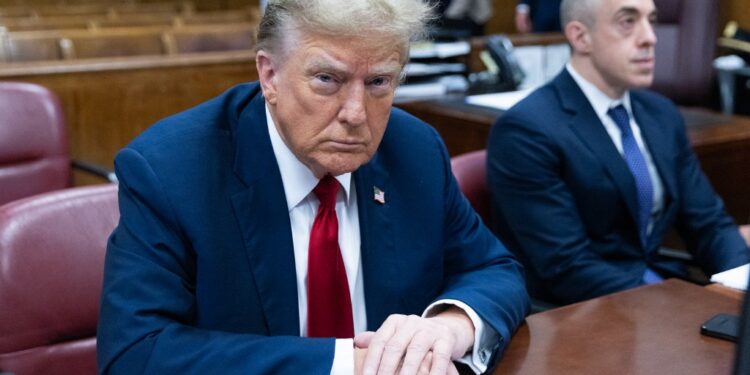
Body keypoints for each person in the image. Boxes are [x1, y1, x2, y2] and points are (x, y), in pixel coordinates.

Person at [97, 0, 529, 374]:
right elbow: (136, 352)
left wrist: (446, 328)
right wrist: (349, 366)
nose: (356, 114)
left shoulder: (412, 149)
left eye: (379, 82)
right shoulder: (173, 169)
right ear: (269, 75)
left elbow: (494, 270)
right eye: (327, 79)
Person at [488, 0, 750, 305]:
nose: (650, 37)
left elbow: (709, 224)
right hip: (576, 316)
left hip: (654, 292)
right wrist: (668, 307)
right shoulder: (527, 130)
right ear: (580, 36)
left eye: (651, 20)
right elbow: (568, 267)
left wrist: (739, 287)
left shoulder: (661, 114)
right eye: (628, 22)